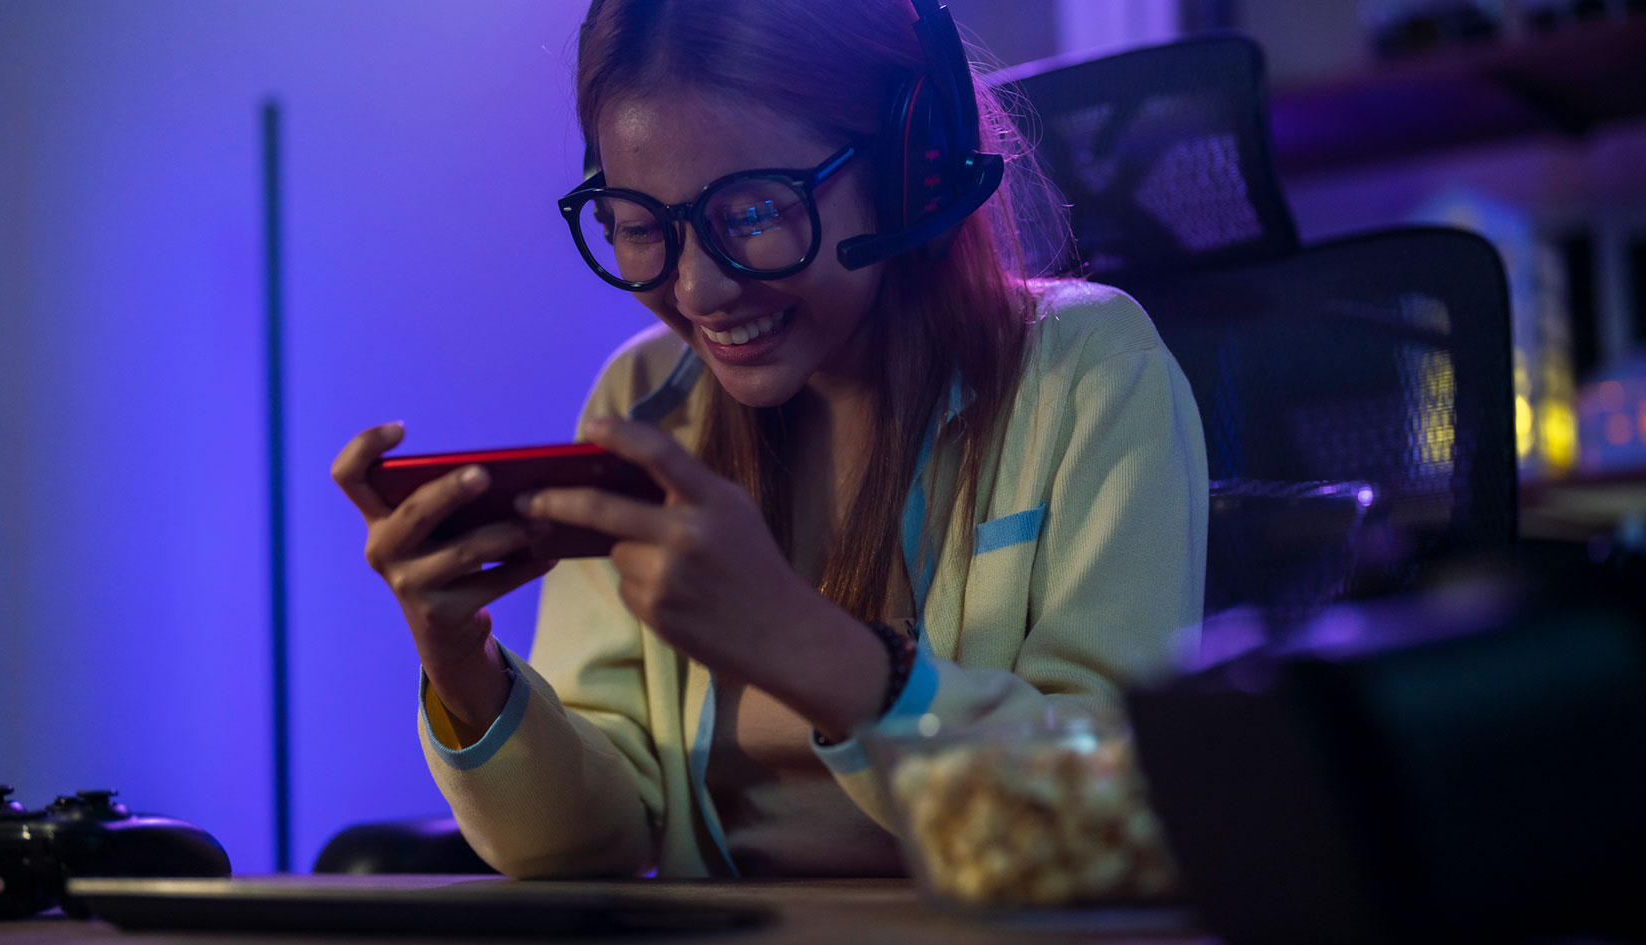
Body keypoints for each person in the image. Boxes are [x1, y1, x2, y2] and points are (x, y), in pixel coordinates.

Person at [331, 0, 1206, 879]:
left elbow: (1108, 822)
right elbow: (590, 843)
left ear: (911, 169)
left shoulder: (1087, 371)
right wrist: (464, 669)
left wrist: (804, 646)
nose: (699, 289)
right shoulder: (645, 402)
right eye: (639, 226)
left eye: (752, 214)